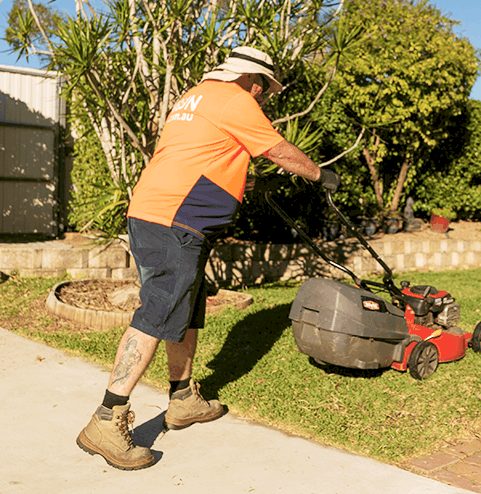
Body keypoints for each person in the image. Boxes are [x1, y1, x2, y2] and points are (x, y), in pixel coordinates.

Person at [76, 46, 340, 470]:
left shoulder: (195, 96)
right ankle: (107, 418)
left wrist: (240, 181)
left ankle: (182, 399)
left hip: (158, 213)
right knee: (157, 312)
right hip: (173, 221)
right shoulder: (236, 98)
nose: (264, 97)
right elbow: (278, 149)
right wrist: (320, 174)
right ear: (252, 79)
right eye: (265, 89)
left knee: (187, 305)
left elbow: (199, 155)